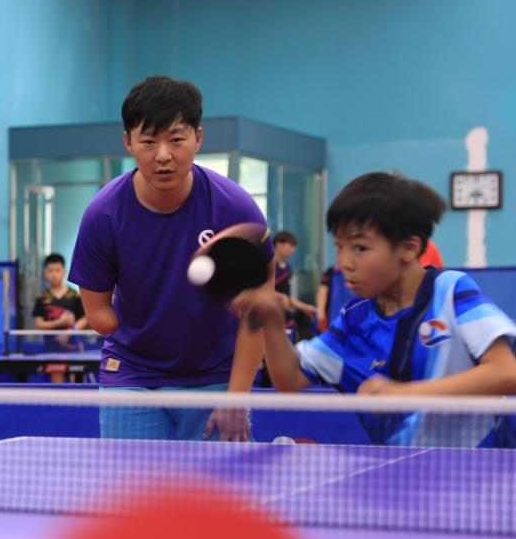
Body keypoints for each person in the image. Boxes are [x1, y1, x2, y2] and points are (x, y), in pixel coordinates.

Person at [232, 171, 516, 446]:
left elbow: (507, 373)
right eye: (339, 246)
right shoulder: (355, 319)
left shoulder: (451, 291)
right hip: (407, 471)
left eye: (360, 248)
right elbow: (290, 379)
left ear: (409, 248)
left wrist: (405, 394)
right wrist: (272, 321)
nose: (345, 262)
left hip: (484, 465)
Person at [69, 76, 273, 441]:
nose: (163, 155)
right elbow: (99, 316)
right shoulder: (103, 215)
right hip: (131, 376)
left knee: (218, 482)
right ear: (128, 142)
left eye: (176, 140)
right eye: (149, 141)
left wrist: (237, 395)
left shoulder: (235, 209)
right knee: (132, 481)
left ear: (198, 138)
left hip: (215, 377)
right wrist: (152, 326)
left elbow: (258, 312)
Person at [33, 253, 88, 383]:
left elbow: (86, 318)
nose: (54, 274)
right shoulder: (41, 299)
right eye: (50, 271)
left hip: (74, 349)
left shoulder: (75, 296)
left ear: (64, 272)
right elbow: (39, 325)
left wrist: (70, 331)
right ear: (45, 273)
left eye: (57, 270)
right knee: (57, 387)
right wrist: (61, 322)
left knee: (77, 385)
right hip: (52, 350)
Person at [272, 230, 317, 339]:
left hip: (285, 319)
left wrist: (307, 308)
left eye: (294, 246)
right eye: (291, 245)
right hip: (269, 318)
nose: (293, 250)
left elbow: (288, 298)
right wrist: (280, 296)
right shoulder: (268, 265)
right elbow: (260, 291)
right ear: (278, 244)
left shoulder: (288, 269)